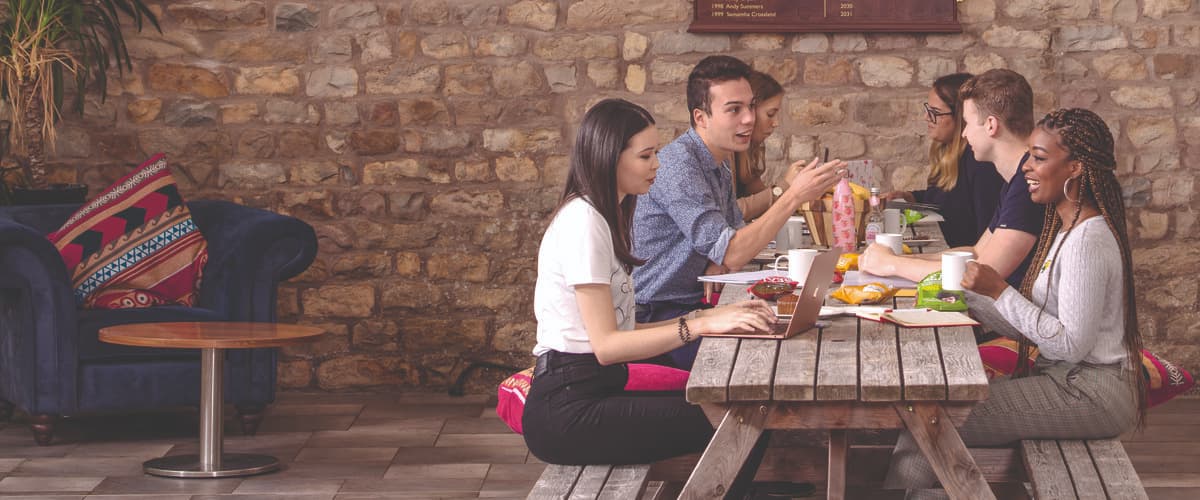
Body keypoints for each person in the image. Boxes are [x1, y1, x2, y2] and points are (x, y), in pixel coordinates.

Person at [884, 108, 1148, 499]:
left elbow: (1069, 344)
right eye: (1029, 157)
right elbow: (1038, 326)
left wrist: (998, 292)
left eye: (1039, 158)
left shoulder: (1088, 241)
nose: (1027, 167)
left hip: (1089, 393)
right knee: (925, 419)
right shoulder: (1067, 229)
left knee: (933, 420)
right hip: (1068, 380)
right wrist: (971, 298)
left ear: (1075, 167)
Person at [522, 99, 777, 486]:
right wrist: (700, 326)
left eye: (655, 152)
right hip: (568, 409)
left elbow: (624, 332)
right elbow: (607, 346)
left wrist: (708, 317)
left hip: (594, 390)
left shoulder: (604, 217)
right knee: (741, 419)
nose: (657, 164)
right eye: (645, 156)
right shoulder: (583, 223)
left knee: (744, 410)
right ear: (610, 159)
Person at [633, 56, 843, 369]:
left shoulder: (719, 162)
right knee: (767, 358)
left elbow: (733, 240)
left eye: (751, 106)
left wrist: (718, 257)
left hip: (694, 303)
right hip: (657, 316)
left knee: (799, 334)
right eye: (734, 110)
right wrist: (793, 195)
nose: (749, 119)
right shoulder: (680, 167)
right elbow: (733, 250)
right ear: (701, 117)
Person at [859, 69, 1042, 289]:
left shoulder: (1027, 184)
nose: (963, 134)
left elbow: (979, 274)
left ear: (991, 125)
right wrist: (899, 259)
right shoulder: (1016, 180)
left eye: (967, 123)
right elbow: (975, 252)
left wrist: (892, 264)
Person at [883, 73, 1005, 248]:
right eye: (928, 109)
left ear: (962, 117)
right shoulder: (948, 152)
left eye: (935, 112)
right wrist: (911, 197)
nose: (927, 117)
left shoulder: (980, 163)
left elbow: (988, 235)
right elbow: (947, 200)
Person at [732, 70, 805, 222]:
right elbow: (732, 213)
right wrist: (785, 185)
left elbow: (763, 200)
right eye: (770, 114)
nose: (776, 123)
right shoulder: (724, 154)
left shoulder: (746, 154)